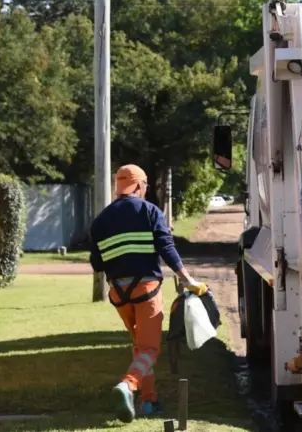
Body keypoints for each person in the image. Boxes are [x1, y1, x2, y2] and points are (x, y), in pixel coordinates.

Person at [89, 164, 207, 423]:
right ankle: (127, 386)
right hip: (147, 291)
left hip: (119, 295)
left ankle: (149, 400)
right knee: (150, 349)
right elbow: (167, 249)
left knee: (140, 347)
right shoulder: (150, 211)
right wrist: (187, 280)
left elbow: (97, 264)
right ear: (140, 186)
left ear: (119, 187)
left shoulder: (100, 221)